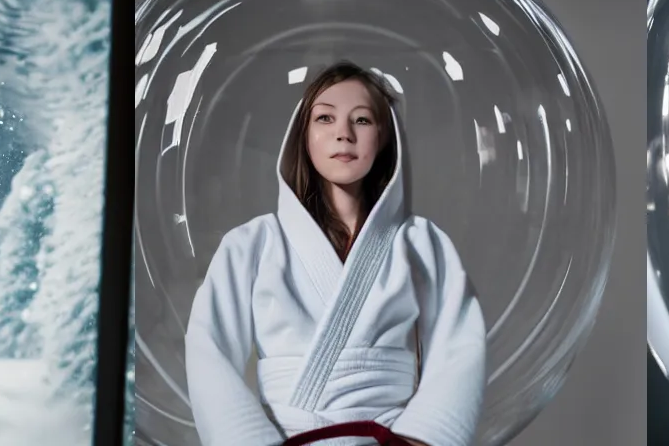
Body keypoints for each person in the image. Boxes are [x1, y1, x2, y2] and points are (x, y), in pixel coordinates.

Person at [185, 61, 486, 446]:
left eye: (361, 120)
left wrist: (423, 438)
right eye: (325, 118)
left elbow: (459, 346)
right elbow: (209, 350)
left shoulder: (422, 242)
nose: (343, 134)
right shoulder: (250, 244)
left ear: (384, 137)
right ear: (303, 136)